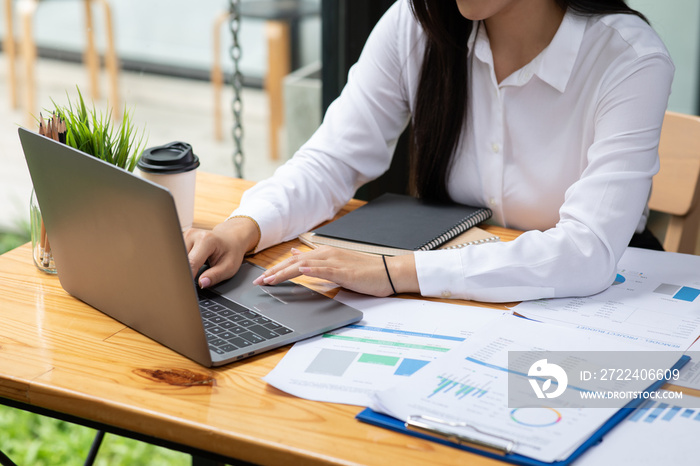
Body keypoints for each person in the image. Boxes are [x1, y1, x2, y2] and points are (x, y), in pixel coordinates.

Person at [186, 0, 674, 303]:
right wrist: (242, 227)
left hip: (598, 308)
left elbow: (586, 252)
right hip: (457, 302)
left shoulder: (630, 59)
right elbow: (332, 160)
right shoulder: (413, 24)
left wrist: (395, 271)